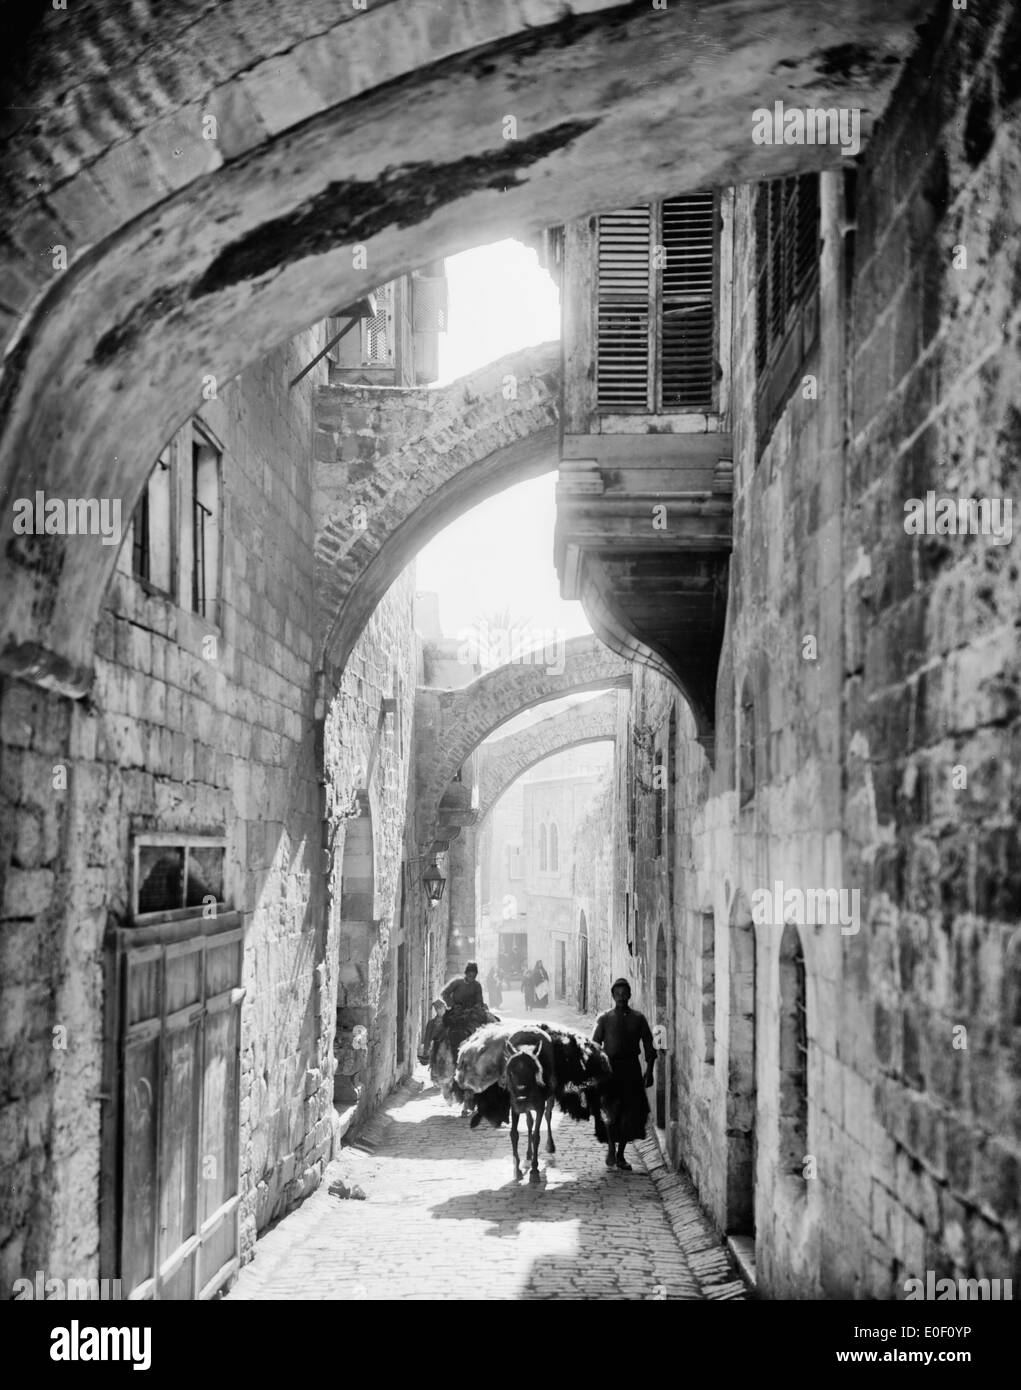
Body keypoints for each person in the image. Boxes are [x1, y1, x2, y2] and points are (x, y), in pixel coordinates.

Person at [592, 978, 656, 1171]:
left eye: (624, 993)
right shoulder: (604, 1018)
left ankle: (620, 1155)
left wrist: (650, 1070)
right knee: (611, 1112)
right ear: (612, 996)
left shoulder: (638, 1018)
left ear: (629, 995)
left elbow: (649, 1045)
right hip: (610, 1070)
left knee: (629, 1114)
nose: (621, 997)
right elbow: (594, 1045)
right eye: (617, 994)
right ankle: (611, 1147)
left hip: (631, 1070)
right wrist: (597, 1070)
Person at [418, 998, 447, 1067]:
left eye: (441, 1008)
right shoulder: (431, 1023)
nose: (439, 1011)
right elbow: (427, 1038)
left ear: (445, 1008)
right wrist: (425, 1051)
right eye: (437, 1009)